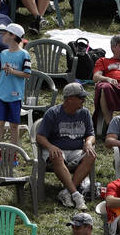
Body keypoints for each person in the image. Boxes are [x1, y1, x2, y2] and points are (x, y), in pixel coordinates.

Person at [37, 82, 96, 210]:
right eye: (80, 98)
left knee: (91, 155)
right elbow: (40, 136)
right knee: (57, 155)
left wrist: (88, 142)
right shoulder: (53, 113)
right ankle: (76, 195)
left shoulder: (85, 113)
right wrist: (50, 146)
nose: (84, 100)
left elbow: (91, 134)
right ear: (69, 99)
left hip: (76, 150)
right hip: (56, 150)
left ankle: (67, 192)